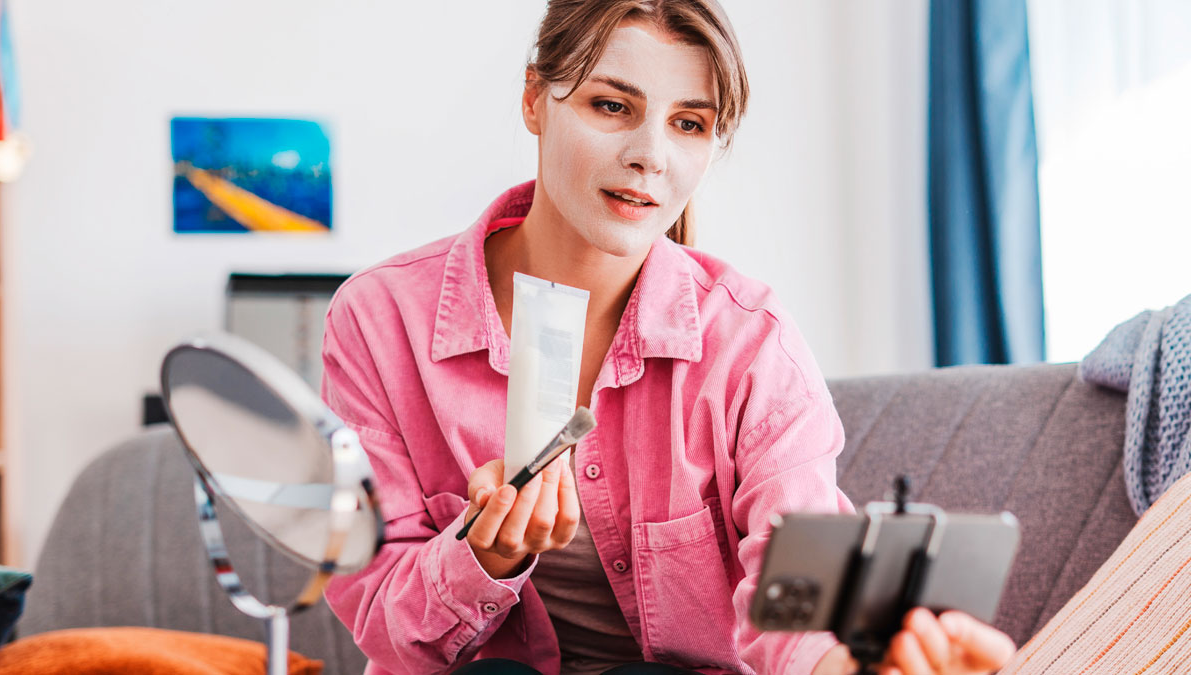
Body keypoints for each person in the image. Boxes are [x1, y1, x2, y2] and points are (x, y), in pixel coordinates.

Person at [320, 1, 1017, 673]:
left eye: (688, 123)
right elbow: (380, 619)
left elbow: (794, 590)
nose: (649, 156)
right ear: (535, 99)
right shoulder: (380, 321)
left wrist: (847, 667)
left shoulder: (750, 342)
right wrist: (482, 555)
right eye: (611, 106)